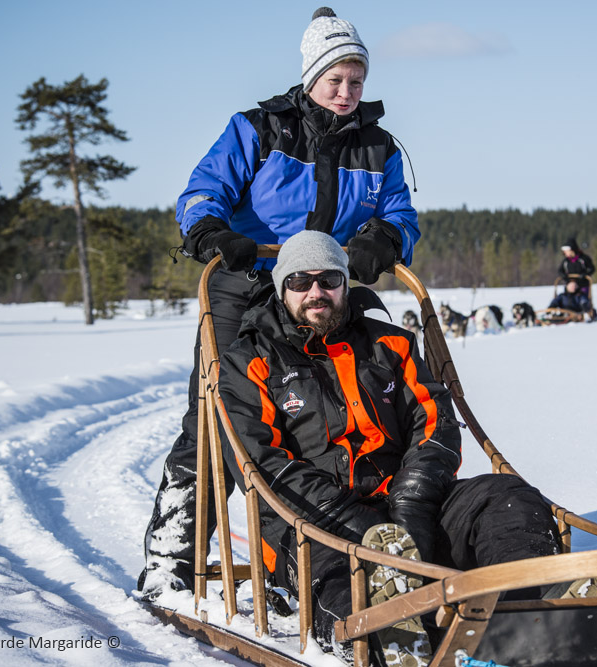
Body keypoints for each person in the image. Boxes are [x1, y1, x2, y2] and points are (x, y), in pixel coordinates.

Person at [217, 231, 597, 667]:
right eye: (300, 282)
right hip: (313, 524)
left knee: (505, 497)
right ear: (281, 287)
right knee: (341, 579)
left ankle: (536, 607)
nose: (316, 292)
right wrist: (359, 523)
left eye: (329, 279)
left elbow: (434, 421)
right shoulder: (249, 360)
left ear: (345, 283)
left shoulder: (391, 343)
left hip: (408, 508)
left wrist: (413, 499)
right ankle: (389, 639)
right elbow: (262, 463)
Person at [138, 7, 419, 600]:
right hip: (247, 285)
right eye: (335, 79)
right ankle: (171, 561)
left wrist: (383, 238)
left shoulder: (379, 147)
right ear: (312, 75)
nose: (346, 92)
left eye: (357, 80)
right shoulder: (259, 129)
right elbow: (202, 191)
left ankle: (332, 542)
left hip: (324, 295)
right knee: (217, 420)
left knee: (336, 418)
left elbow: (401, 213)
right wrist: (213, 232)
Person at [557, 238, 597, 321]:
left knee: (582, 299)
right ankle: (562, 312)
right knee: (564, 298)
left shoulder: (583, 258)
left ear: (571, 249)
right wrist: (564, 277)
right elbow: (560, 271)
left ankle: (585, 312)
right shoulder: (566, 261)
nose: (564, 253)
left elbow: (591, 268)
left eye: (566, 251)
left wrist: (585, 274)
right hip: (570, 286)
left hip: (582, 285)